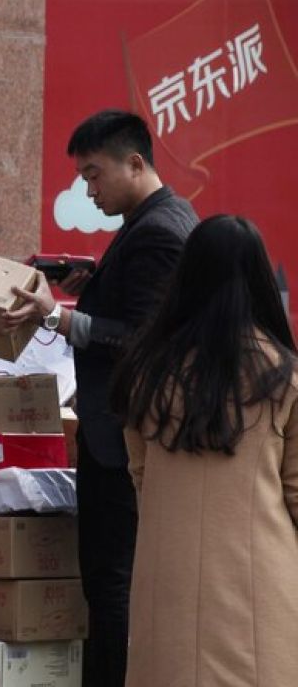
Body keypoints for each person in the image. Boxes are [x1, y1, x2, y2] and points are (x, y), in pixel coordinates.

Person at [2, 109, 197, 686]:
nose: (89, 191)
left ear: (134, 163)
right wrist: (92, 290)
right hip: (119, 434)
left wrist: (58, 317)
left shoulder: (158, 232)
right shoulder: (152, 220)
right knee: (111, 581)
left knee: (112, 583)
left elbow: (145, 338)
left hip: (125, 437)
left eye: (94, 174)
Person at [110, 215, 298, 686]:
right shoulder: (283, 376)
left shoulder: (146, 372)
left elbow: (141, 475)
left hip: (166, 575)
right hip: (259, 583)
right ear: (258, 279)